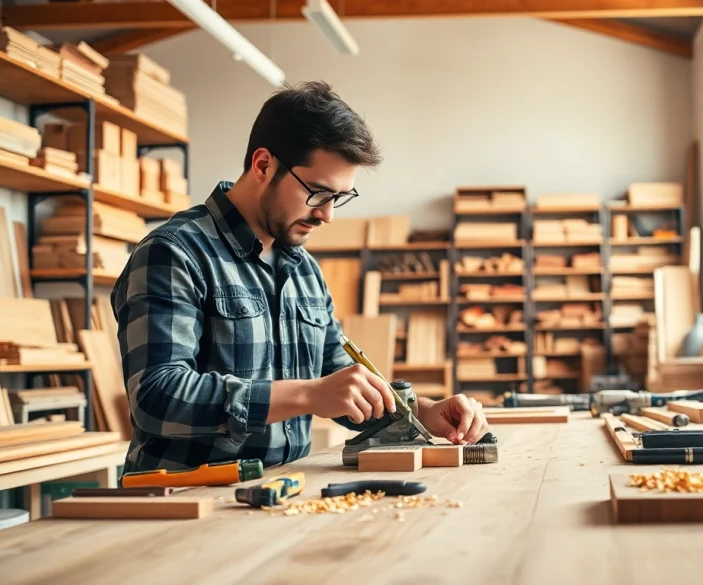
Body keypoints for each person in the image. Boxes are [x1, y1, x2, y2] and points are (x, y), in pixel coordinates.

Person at [112, 81, 489, 472]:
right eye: (318, 193)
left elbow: (338, 382)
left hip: (278, 490)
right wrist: (308, 395)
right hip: (181, 501)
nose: (327, 215)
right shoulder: (174, 252)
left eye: (339, 198)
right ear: (263, 166)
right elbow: (155, 398)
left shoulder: (303, 268)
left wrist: (424, 412)